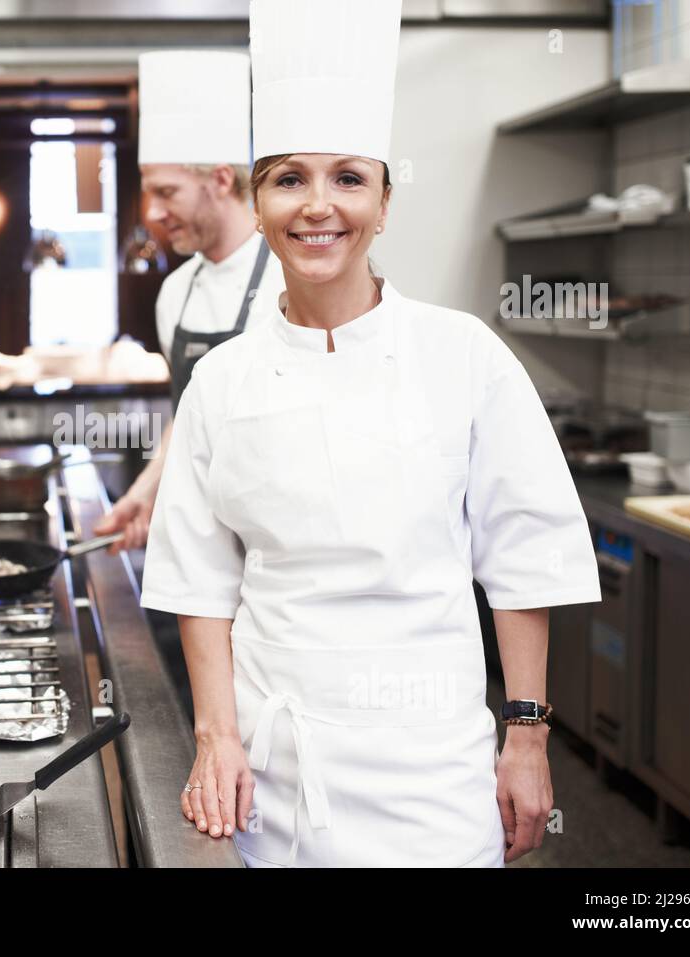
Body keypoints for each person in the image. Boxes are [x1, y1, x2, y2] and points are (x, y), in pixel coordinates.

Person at [139, 0, 602, 867]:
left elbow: (522, 555)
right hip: (275, 777)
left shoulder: (463, 355)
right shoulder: (223, 381)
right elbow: (200, 579)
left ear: (385, 201)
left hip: (433, 776)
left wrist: (528, 738)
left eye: (349, 178)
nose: (320, 206)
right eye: (289, 179)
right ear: (261, 199)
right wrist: (216, 737)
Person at [94, 50, 285, 554]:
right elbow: (190, 418)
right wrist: (144, 494)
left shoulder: (289, 282)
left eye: (167, 192)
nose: (153, 212)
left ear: (221, 180)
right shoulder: (175, 293)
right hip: (199, 544)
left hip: (279, 545)